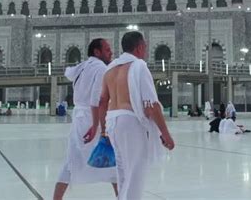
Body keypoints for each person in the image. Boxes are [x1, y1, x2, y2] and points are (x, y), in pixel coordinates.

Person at [85, 31, 174, 200]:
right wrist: (165, 133)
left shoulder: (110, 69)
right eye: (145, 47)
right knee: (135, 173)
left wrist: (104, 131)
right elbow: (152, 104)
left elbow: (103, 101)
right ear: (139, 48)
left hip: (112, 122)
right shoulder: (139, 66)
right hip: (129, 122)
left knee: (124, 173)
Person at [53, 38, 117, 200]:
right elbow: (97, 100)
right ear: (97, 52)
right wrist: (98, 127)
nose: (111, 53)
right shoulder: (101, 68)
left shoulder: (83, 66)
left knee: (71, 162)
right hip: (91, 118)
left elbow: (68, 72)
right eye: (107, 49)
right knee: (114, 161)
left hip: (79, 118)